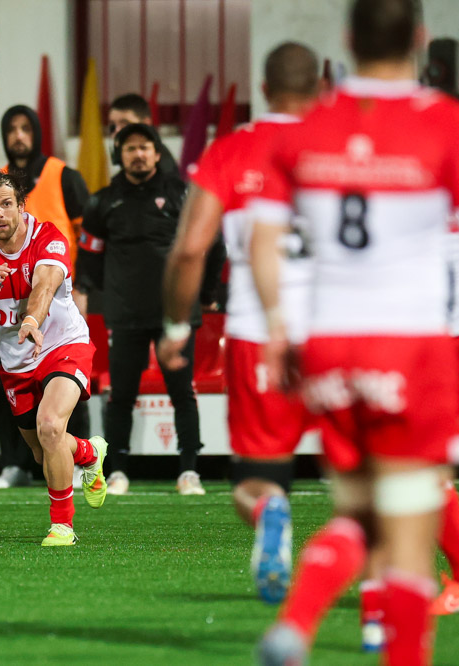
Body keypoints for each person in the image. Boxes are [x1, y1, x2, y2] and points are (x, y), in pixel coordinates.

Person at [246, 2, 459, 664]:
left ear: (346, 41)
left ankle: (298, 621)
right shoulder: (449, 125)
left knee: (359, 514)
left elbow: (264, 243)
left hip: (331, 347)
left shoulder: (306, 127)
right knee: (411, 535)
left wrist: (279, 327)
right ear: (419, 40)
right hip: (413, 347)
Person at [160, 41, 320, 602]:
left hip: (260, 335)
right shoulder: (346, 145)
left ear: (265, 89)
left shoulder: (232, 151)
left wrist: (177, 329)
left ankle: (270, 510)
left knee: (255, 480)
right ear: (320, 87)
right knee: (374, 481)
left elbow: (189, 251)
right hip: (344, 333)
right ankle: (385, 604)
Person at [0, 170, 107, 546]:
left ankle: (62, 526)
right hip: (15, 361)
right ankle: (88, 450)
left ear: (20, 206)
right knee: (40, 451)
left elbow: (45, 283)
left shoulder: (47, 236)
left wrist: (33, 318)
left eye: (6, 204)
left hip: (62, 344)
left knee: (51, 426)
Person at [77, 123, 220, 496]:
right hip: (125, 315)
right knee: (120, 395)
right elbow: (88, 256)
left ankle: (189, 471)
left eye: (145, 147)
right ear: (119, 156)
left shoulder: (183, 193)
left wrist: (206, 292)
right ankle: (118, 471)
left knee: (182, 394)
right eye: (130, 149)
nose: (138, 154)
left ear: (157, 153)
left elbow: (212, 241)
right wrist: (84, 290)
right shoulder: (102, 201)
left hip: (175, 315)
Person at [0, 105, 93, 489]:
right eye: (12, 129)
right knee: (8, 382)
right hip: (7, 302)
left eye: (26, 128)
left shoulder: (64, 176)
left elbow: (89, 239)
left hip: (57, 296)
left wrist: (84, 290)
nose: (18, 136)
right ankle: (14, 463)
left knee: (65, 386)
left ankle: (79, 459)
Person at [108, 93, 181, 178]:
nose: (117, 131)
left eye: (125, 124)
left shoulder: (164, 172)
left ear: (146, 123)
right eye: (113, 126)